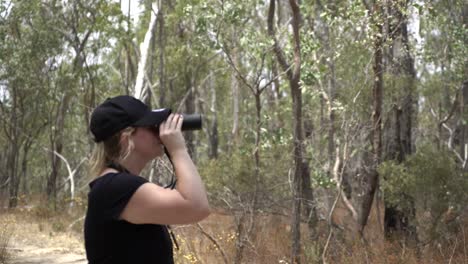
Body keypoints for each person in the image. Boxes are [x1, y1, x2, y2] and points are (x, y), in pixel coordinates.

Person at [84, 95, 210, 264]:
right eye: (152, 127)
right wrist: (178, 149)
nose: (159, 132)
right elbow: (197, 207)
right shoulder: (115, 187)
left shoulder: (116, 185)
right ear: (126, 136)